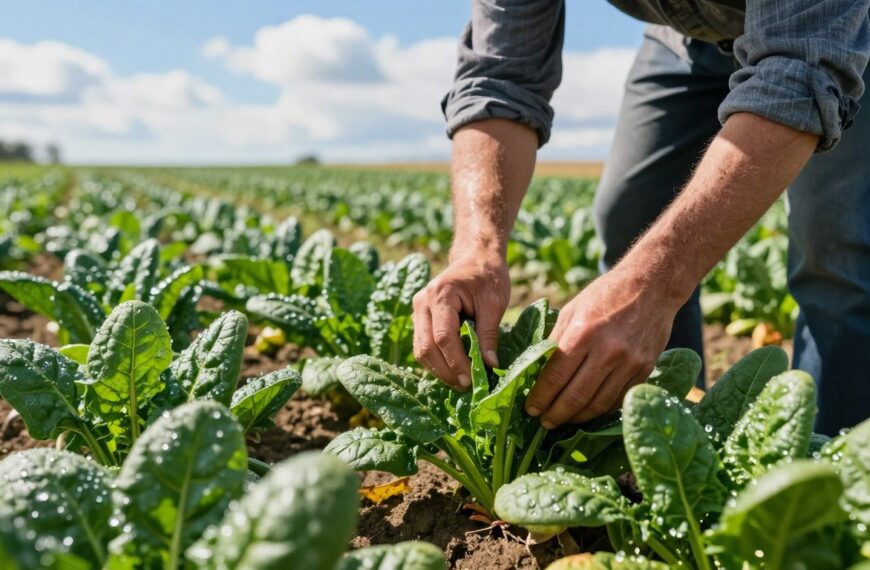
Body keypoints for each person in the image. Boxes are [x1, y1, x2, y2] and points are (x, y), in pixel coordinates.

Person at [411, 0, 870, 436]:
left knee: (837, 253)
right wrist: (477, 249)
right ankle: (674, 452)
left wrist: (655, 284)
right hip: (685, 36)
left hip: (838, 33)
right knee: (629, 216)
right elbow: (498, 74)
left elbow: (799, 73)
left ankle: (834, 478)